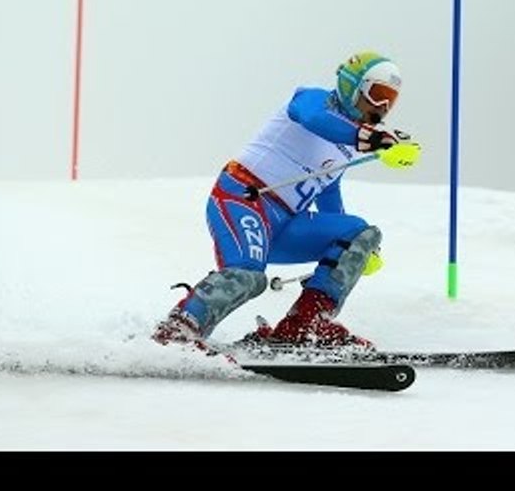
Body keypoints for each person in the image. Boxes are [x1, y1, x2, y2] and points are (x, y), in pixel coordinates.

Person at [151, 50, 412, 351]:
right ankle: (178, 329)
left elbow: (328, 193)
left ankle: (304, 326)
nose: (381, 107)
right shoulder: (313, 99)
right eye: (376, 94)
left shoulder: (351, 144)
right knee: (248, 277)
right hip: (243, 198)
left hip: (286, 223)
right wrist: (368, 138)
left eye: (390, 100)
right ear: (352, 85)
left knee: (361, 232)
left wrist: (353, 251)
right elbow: (315, 118)